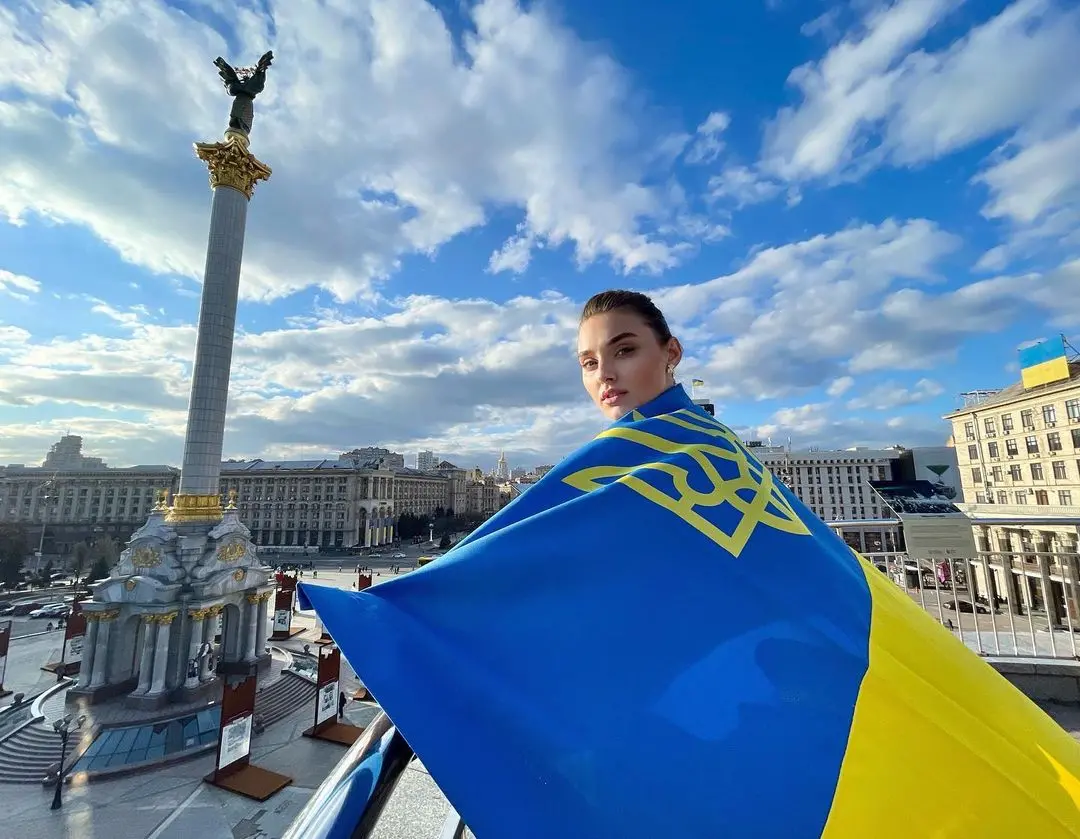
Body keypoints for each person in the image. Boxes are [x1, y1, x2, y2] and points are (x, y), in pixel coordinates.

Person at [576, 289, 684, 421]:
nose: (602, 375)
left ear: (672, 352)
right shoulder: (708, 429)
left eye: (624, 351)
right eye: (590, 363)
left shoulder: (619, 438)